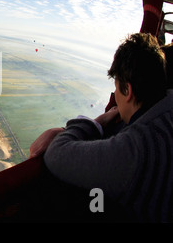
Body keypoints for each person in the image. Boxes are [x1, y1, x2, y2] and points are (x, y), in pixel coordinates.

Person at [29, 33, 173, 222]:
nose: (114, 95)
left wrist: (100, 121)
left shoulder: (135, 150)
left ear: (127, 91)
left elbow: (57, 154)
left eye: (116, 86)